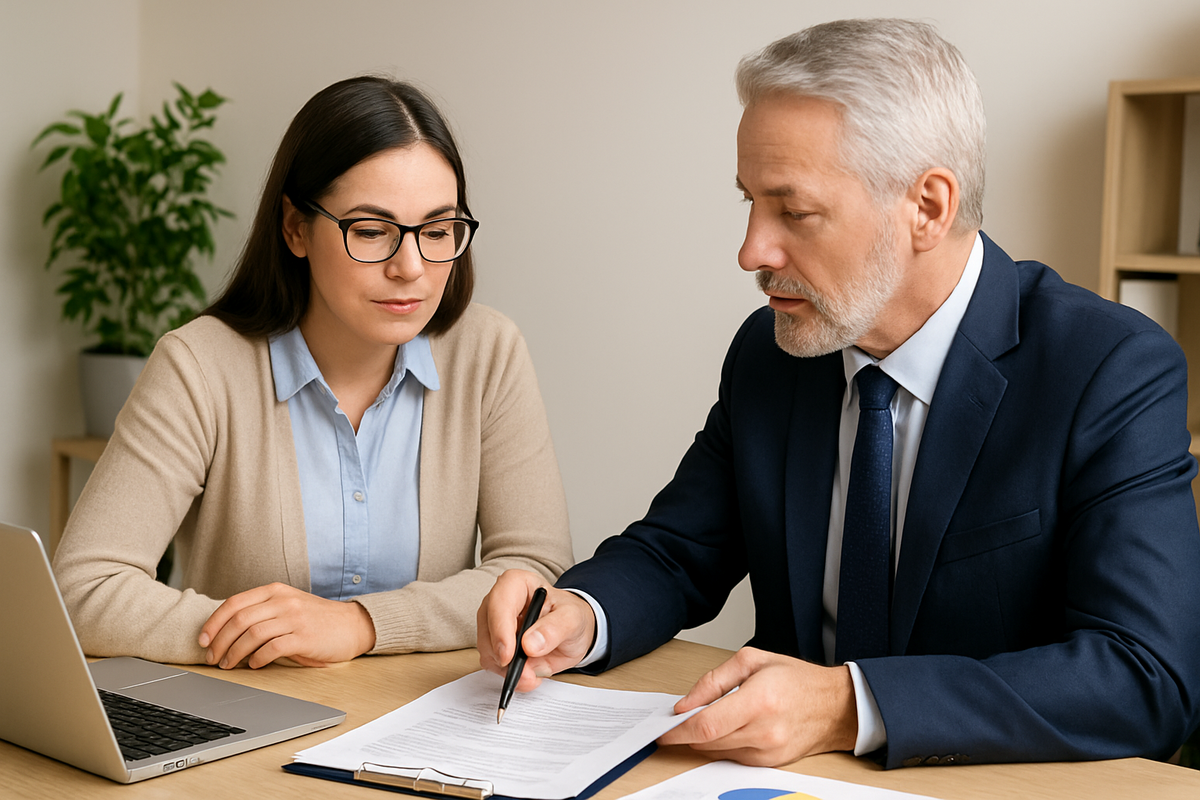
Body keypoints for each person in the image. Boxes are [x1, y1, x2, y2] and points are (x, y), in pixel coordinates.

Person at [477, 19, 1200, 769]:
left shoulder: (1107, 368)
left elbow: (1147, 677)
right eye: (749, 203)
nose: (752, 251)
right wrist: (576, 615)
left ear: (927, 207)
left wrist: (849, 705)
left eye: (794, 211)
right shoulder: (773, 352)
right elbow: (677, 554)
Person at [53, 76, 573, 669]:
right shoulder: (199, 366)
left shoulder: (489, 352)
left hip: (427, 720)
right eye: (372, 232)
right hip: (247, 721)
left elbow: (537, 572)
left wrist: (361, 625)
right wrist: (272, 635)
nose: (412, 268)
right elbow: (84, 589)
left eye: (436, 232)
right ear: (296, 228)